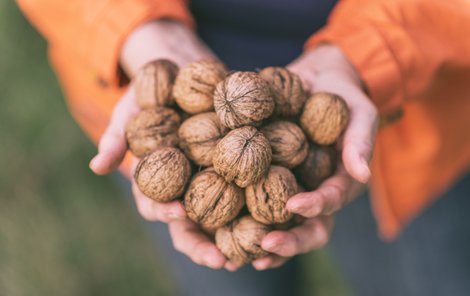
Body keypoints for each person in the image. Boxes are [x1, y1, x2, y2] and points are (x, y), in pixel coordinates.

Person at [17, 0, 470, 295]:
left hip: (413, 119)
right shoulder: (185, 140)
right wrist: (136, 30)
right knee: (222, 271)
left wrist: (372, 48)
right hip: (155, 70)